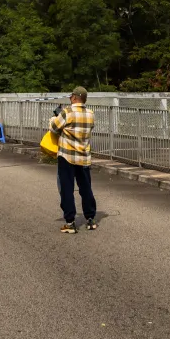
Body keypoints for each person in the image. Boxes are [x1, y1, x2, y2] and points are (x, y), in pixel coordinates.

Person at [50, 86, 97, 232]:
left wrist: (55, 116)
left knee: (67, 189)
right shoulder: (91, 114)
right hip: (83, 156)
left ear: (75, 97)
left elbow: (53, 127)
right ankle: (90, 219)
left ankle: (70, 222)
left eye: (71, 97)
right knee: (86, 188)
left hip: (67, 156)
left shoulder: (67, 112)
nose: (70, 99)